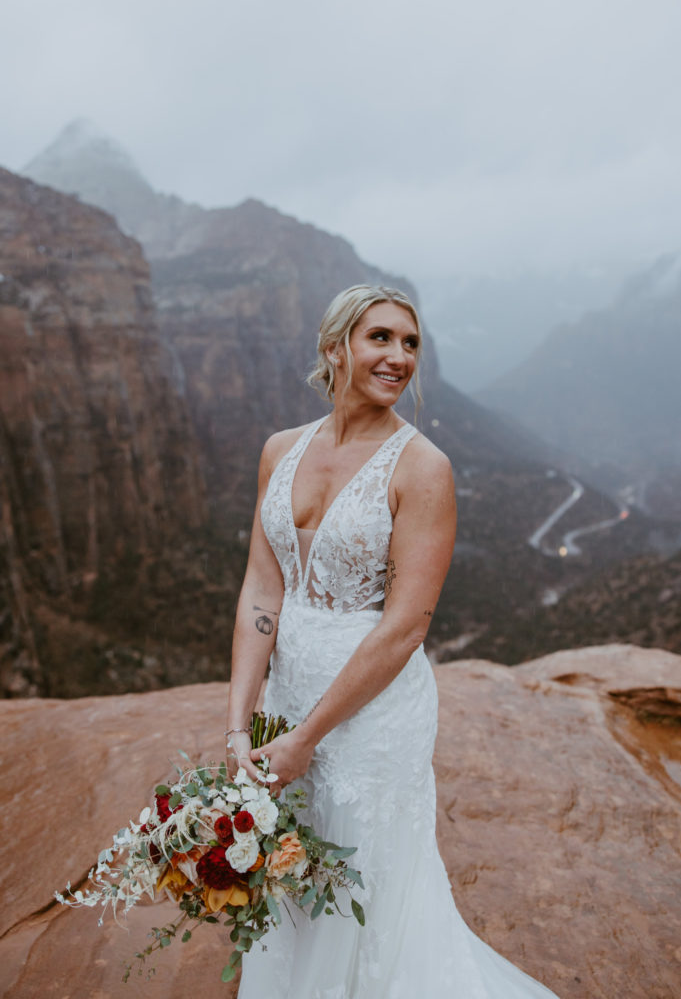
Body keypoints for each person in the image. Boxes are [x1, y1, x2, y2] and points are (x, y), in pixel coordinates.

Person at [225, 285, 560, 997]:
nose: (398, 357)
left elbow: (406, 625)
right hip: (286, 698)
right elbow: (262, 587)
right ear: (333, 347)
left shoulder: (421, 468)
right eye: (380, 338)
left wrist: (306, 737)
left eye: (409, 343)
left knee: (364, 880)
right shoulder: (278, 451)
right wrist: (238, 724)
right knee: (289, 864)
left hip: (370, 711)